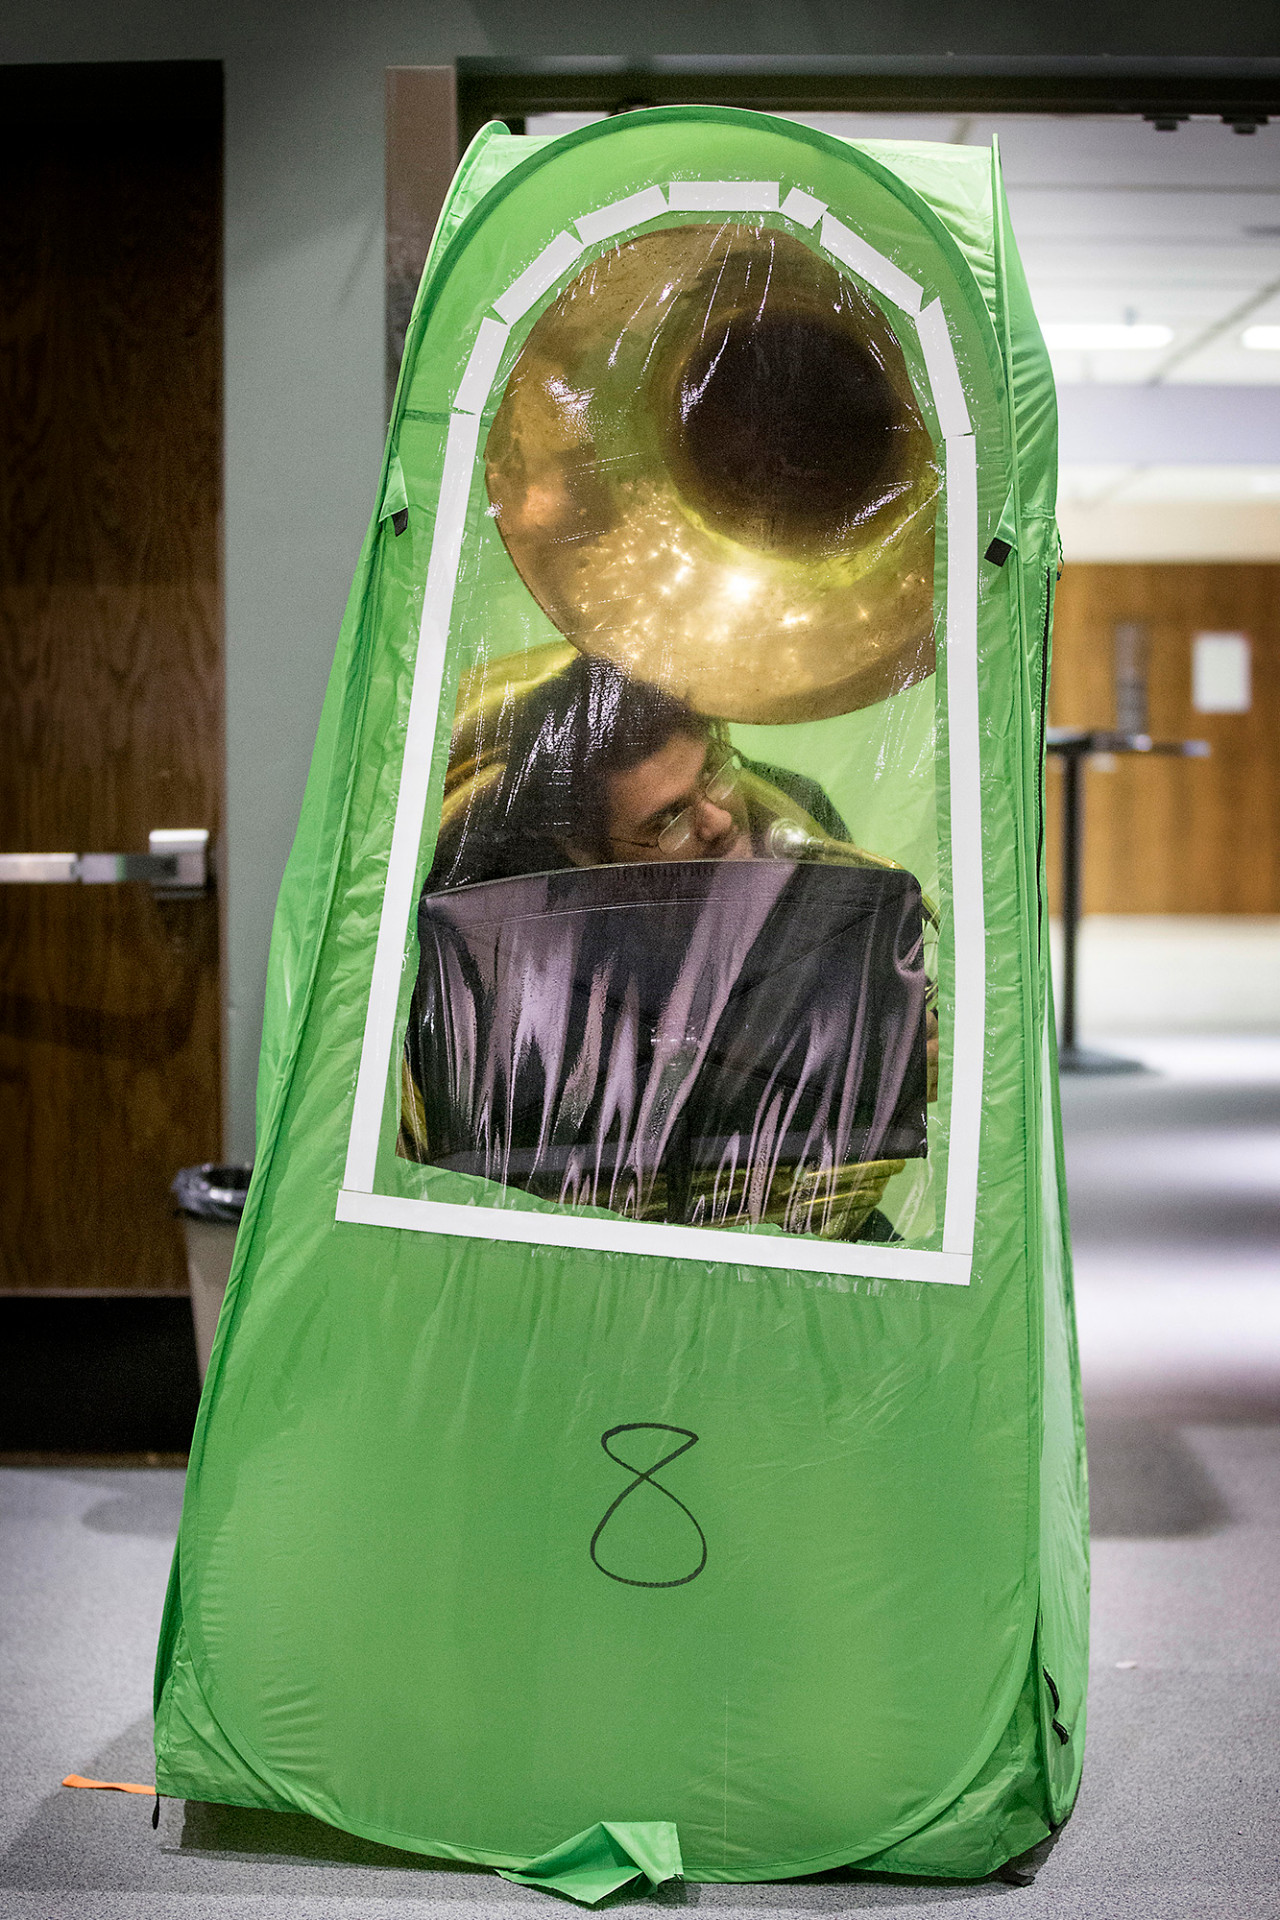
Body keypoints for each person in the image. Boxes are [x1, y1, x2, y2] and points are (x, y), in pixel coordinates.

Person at [425, 653, 850, 894]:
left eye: (712, 770)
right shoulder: (522, 932)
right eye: (668, 819)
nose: (720, 821)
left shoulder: (803, 810)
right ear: (583, 852)